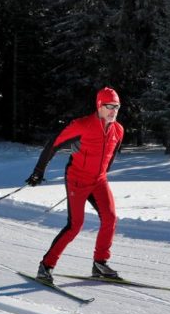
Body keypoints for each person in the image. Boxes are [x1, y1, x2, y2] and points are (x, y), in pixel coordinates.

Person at [25, 87, 125, 284]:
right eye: (109, 106)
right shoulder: (83, 125)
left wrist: (100, 173)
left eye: (117, 107)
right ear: (99, 106)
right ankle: (45, 267)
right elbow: (54, 144)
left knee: (110, 218)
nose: (114, 111)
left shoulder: (118, 130)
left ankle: (100, 264)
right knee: (75, 225)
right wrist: (38, 172)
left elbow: (110, 156)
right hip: (77, 179)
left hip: (98, 181)